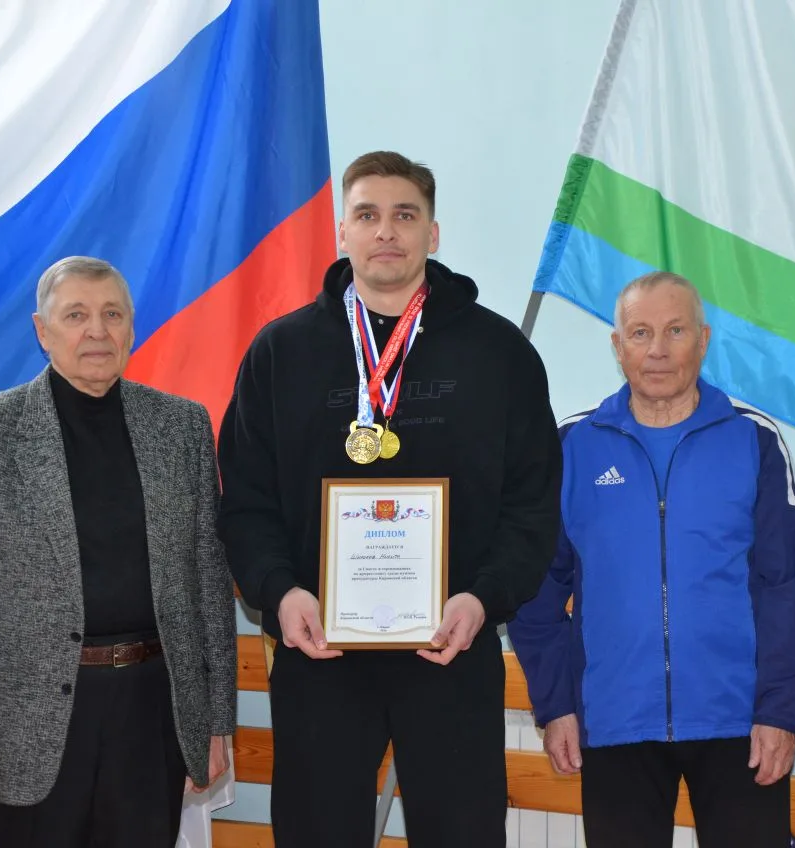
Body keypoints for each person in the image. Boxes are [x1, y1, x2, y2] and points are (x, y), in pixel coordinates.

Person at [216, 150, 562, 847]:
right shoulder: (280, 354)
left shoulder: (499, 354)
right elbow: (245, 502)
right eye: (367, 215)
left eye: (405, 215)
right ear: (341, 232)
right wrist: (281, 592)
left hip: (451, 646)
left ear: (432, 233)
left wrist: (483, 599)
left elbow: (532, 504)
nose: (386, 231)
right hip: (320, 651)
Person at [0, 256, 236, 846]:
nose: (96, 331)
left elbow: (209, 584)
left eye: (112, 314)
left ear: (131, 328)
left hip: (152, 716)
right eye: (76, 315)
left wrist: (215, 722)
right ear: (43, 331)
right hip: (27, 728)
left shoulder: (182, 427)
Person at [508, 271, 795, 847]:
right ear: (617, 345)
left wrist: (779, 711)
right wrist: (557, 704)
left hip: (739, 723)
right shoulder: (573, 446)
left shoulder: (755, 440)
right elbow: (535, 589)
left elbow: (788, 586)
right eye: (641, 332)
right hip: (614, 722)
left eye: (675, 330)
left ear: (704, 339)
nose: (658, 350)